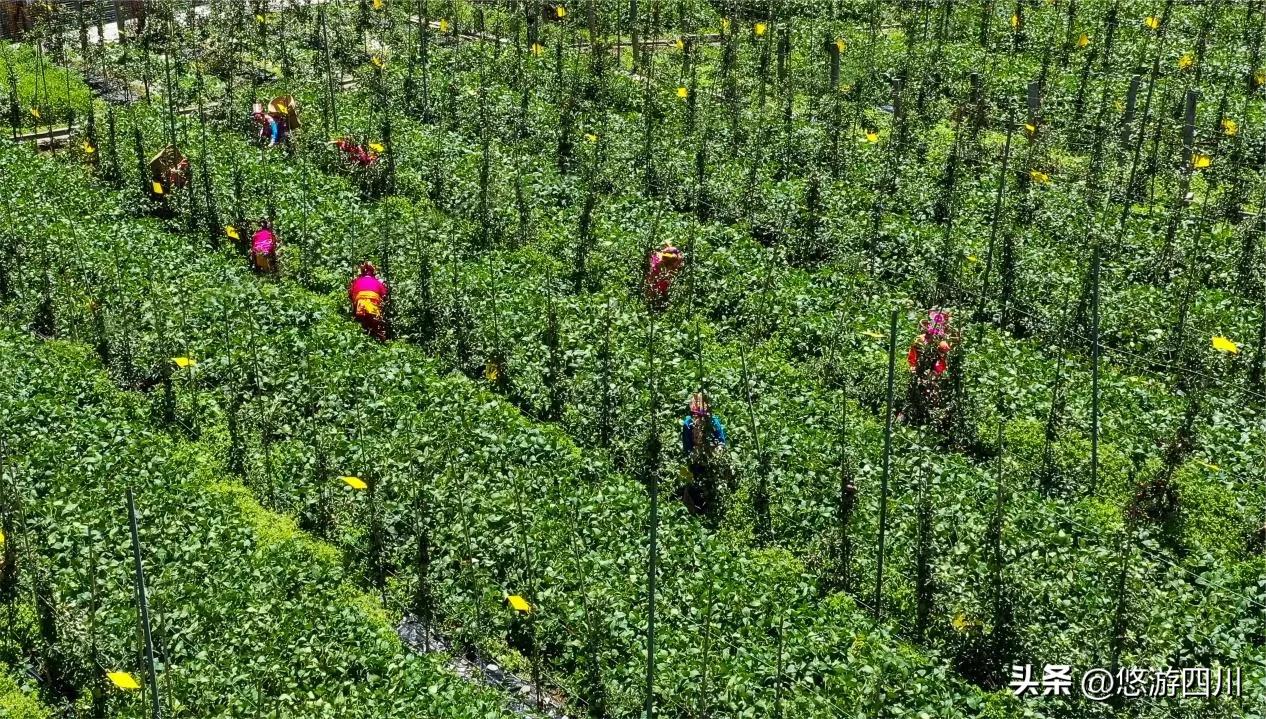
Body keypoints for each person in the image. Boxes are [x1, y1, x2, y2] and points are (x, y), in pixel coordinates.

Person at [904, 309, 955, 426]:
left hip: (936, 375)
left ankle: (934, 419)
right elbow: (912, 356)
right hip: (921, 372)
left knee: (934, 394)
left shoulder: (943, 343)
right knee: (917, 394)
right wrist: (913, 367)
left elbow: (944, 363)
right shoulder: (921, 339)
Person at [680, 392, 728, 516]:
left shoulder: (713, 422)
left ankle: (712, 511)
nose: (699, 419)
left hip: (711, 459)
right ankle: (694, 511)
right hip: (695, 461)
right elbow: (687, 449)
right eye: (696, 415)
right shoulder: (688, 424)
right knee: (694, 486)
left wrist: (713, 454)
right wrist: (695, 457)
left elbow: (721, 443)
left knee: (712, 486)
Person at [348, 262, 389, 340]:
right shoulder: (377, 282)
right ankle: (379, 337)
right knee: (376, 322)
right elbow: (384, 293)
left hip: (360, 302)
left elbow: (350, 294)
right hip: (374, 301)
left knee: (361, 320)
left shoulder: (357, 281)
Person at [645, 243, 684, 309]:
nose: (677, 267)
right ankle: (649, 305)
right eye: (674, 266)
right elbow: (651, 282)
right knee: (653, 288)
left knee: (663, 286)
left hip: (662, 278)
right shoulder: (657, 265)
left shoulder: (675, 255)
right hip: (656, 277)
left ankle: (661, 301)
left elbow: (678, 255)